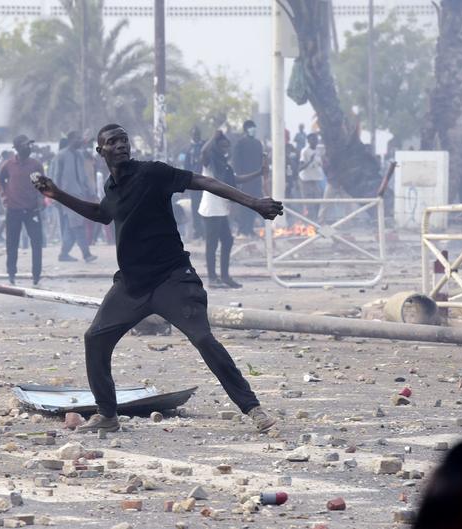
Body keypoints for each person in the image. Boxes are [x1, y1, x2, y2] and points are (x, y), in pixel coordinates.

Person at [33, 123, 283, 434]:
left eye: (124, 139)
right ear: (101, 151)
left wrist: (254, 203)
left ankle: (253, 408)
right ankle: (107, 414)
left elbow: (203, 181)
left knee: (203, 339)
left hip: (172, 279)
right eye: (113, 142)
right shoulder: (112, 187)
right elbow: (102, 214)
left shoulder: (152, 173)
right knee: (95, 338)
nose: (121, 145)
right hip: (132, 285)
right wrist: (56, 194)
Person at [197, 130, 266, 289]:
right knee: (212, 245)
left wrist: (258, 173)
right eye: (222, 147)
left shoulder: (223, 165)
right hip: (211, 209)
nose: (225, 151)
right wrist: (212, 137)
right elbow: (204, 151)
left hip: (221, 209)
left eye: (227, 148)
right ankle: (212, 279)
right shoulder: (210, 161)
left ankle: (225, 276)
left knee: (227, 241)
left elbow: (235, 179)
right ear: (216, 147)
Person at [0, 134, 45, 286]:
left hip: (32, 210)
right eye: (26, 145)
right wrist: (4, 196)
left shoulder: (36, 165)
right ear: (18, 148)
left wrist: (41, 200)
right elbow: (0, 180)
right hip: (13, 210)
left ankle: (36, 276)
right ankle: (11, 273)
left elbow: (42, 185)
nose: (29, 147)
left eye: (30, 145)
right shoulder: (9, 165)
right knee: (12, 243)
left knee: (37, 243)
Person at [52, 131, 97, 262]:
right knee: (77, 225)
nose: (80, 141)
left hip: (80, 195)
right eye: (78, 139)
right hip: (67, 196)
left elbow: (83, 176)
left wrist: (91, 191)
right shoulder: (61, 156)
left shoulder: (79, 155)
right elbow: (56, 177)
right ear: (71, 139)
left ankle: (63, 254)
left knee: (72, 227)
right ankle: (86, 254)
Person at [231, 119, 265, 236]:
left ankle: (250, 228)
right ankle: (242, 229)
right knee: (244, 205)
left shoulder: (258, 143)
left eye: (254, 127)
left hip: (256, 179)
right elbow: (235, 161)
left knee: (255, 204)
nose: (253, 129)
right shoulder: (240, 143)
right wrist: (238, 178)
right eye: (251, 127)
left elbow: (261, 160)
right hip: (244, 179)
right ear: (245, 129)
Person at [183, 126, 206, 239]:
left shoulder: (204, 146)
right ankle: (198, 231)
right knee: (195, 206)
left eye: (197, 133)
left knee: (204, 205)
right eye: (193, 134)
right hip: (193, 181)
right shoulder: (189, 149)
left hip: (205, 180)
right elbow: (186, 166)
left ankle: (205, 230)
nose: (195, 136)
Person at [298, 133, 326, 217]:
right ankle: (308, 219)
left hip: (317, 179)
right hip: (306, 180)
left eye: (316, 139)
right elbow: (300, 167)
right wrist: (310, 161)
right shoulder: (305, 151)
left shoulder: (319, 151)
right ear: (309, 141)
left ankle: (316, 219)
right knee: (308, 201)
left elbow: (321, 163)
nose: (315, 141)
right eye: (313, 139)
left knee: (318, 199)